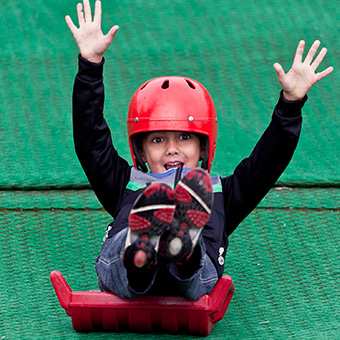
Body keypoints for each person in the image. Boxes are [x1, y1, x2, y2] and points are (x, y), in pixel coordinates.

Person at [65, 0, 333, 299]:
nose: (171, 149)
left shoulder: (223, 194)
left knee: (194, 263)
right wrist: (90, 66)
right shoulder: (124, 183)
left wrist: (290, 104)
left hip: (193, 278)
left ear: (204, 146)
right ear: (139, 151)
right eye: (157, 140)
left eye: (183, 138)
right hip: (125, 264)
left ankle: (182, 248)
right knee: (127, 244)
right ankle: (144, 250)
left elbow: (267, 163)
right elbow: (91, 140)